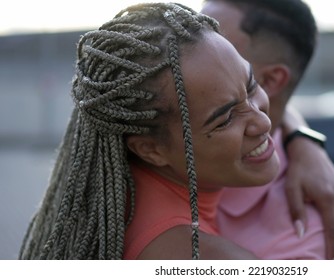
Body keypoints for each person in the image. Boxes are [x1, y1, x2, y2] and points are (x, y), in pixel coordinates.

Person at [19, 2, 280, 260]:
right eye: (224, 119)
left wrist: (303, 139)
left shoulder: (120, 183)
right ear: (150, 150)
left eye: (251, 85)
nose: (263, 123)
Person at [201, 0, 334, 259]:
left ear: (270, 80)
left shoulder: (300, 243)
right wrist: (302, 137)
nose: (189, 46)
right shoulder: (167, 131)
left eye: (216, 42)